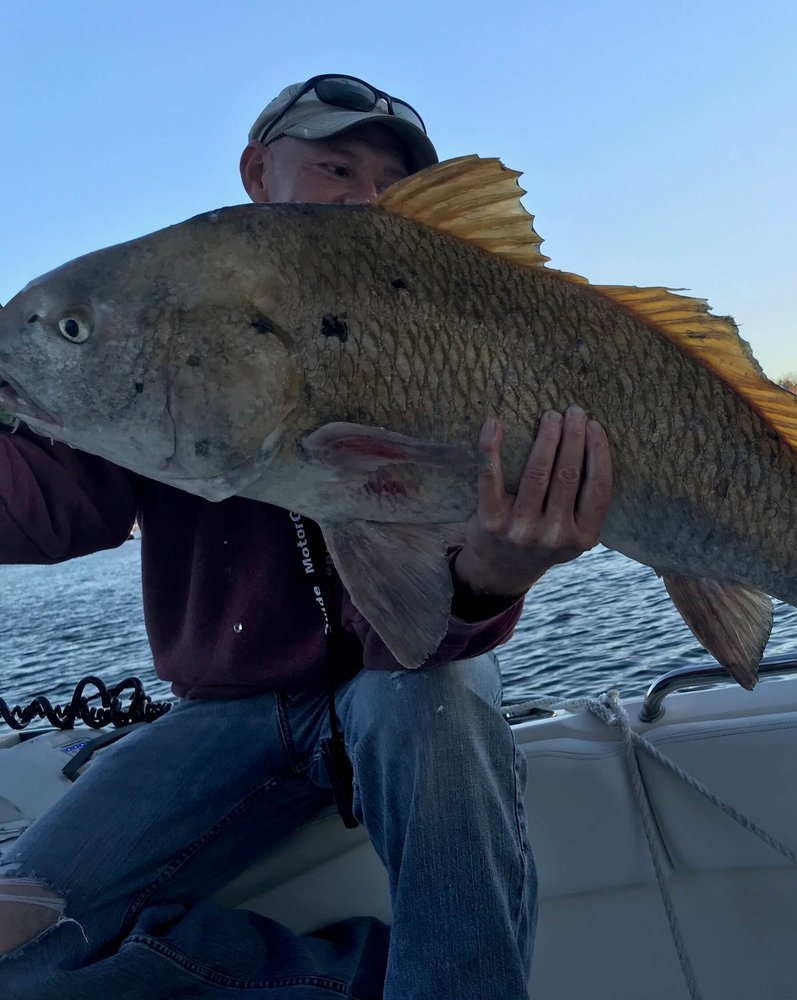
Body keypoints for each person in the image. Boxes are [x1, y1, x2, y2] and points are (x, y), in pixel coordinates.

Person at [0, 74, 612, 999]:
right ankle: (366, 978)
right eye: (334, 166)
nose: (360, 195)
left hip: (410, 676)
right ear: (257, 171)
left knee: (428, 698)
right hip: (226, 713)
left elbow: (430, 634)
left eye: (386, 182)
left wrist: (489, 581)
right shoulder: (154, 323)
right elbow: (46, 508)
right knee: (15, 949)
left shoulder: (464, 333)